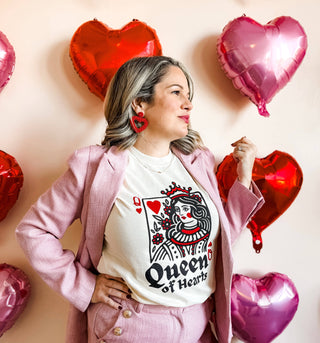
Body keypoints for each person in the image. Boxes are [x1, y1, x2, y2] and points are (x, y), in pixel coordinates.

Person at [16, 56, 264, 343]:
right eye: (176, 92)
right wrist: (84, 286)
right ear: (139, 103)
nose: (189, 103)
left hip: (198, 328)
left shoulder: (198, 162)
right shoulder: (94, 167)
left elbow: (215, 246)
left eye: (188, 95)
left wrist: (243, 179)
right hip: (131, 330)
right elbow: (33, 231)